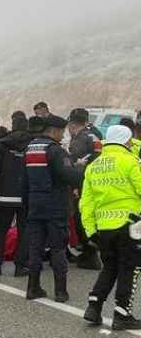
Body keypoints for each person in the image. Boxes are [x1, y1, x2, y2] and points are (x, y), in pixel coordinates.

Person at [80, 125, 141, 330]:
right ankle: (122, 314)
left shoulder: (94, 166)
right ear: (125, 141)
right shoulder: (131, 161)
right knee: (129, 269)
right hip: (129, 225)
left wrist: (90, 230)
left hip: (103, 228)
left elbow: (86, 203)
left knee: (110, 267)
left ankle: (93, 307)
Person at [24, 115, 84, 302]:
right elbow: (69, 176)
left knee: (35, 248)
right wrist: (79, 168)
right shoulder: (56, 150)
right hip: (55, 205)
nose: (63, 135)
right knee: (58, 248)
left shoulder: (30, 148)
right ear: (55, 130)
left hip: (34, 203)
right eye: (62, 131)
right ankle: (60, 292)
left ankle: (32, 288)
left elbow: (24, 180)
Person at [0, 116, 32, 276]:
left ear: (13, 125)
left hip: (4, 195)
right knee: (23, 231)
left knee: (1, 230)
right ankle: (20, 266)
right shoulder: (32, 145)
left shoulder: (3, 145)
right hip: (25, 195)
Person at [67, 108, 103, 270]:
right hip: (97, 181)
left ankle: (90, 254)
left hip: (83, 183)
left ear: (73, 124)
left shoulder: (79, 139)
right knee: (91, 217)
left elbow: (76, 164)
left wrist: (74, 185)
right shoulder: (95, 134)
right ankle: (92, 252)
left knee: (80, 218)